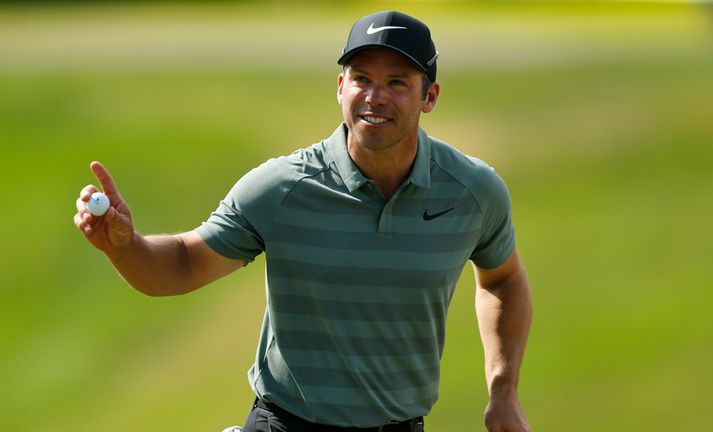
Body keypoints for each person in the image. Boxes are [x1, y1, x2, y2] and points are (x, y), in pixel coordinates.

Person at [74, 10, 532, 432]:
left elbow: (503, 278)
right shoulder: (281, 187)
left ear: (429, 96)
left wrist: (503, 390)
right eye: (361, 79)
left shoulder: (473, 192)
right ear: (340, 87)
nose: (375, 97)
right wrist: (124, 244)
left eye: (397, 82)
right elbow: (180, 265)